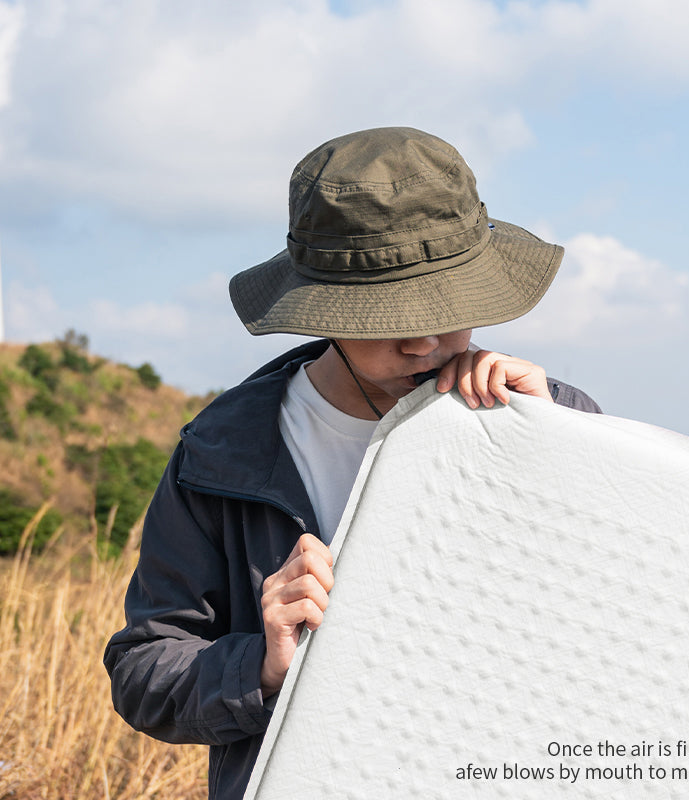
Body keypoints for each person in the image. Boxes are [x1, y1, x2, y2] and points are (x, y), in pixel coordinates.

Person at [104, 126, 601, 799]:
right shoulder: (222, 454)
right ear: (324, 308)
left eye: (454, 308)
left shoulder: (555, 412)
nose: (425, 339)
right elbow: (143, 671)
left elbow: (631, 630)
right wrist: (263, 663)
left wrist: (556, 452)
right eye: (388, 315)